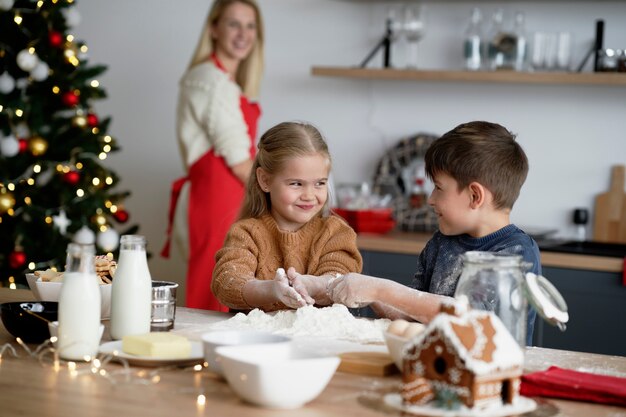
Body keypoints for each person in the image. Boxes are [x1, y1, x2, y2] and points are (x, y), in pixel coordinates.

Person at [327, 121, 539, 345]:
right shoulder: (441, 243)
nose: (430, 199)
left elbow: (471, 320)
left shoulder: (516, 255)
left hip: (492, 373)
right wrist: (366, 293)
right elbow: (412, 315)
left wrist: (380, 290)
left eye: (438, 188)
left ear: (475, 196)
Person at [161, 0, 264, 311]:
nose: (243, 33)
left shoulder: (224, 82)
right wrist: (278, 197)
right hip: (217, 201)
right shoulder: (210, 80)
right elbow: (239, 160)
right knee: (215, 292)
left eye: (250, 25)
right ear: (214, 29)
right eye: (234, 24)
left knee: (230, 285)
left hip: (232, 198)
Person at [212, 121, 363, 312]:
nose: (309, 195)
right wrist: (272, 289)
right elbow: (228, 282)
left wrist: (311, 284)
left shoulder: (336, 233)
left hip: (315, 342)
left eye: (319, 183)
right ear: (265, 180)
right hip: (257, 340)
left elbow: (340, 277)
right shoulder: (246, 233)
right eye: (296, 184)